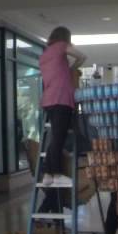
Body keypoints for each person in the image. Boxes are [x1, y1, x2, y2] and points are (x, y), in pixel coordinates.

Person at [39, 26, 87, 187]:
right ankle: (55, 173)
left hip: (48, 100)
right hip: (62, 99)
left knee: (56, 136)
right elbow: (82, 56)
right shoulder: (62, 46)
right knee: (58, 138)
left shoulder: (45, 54)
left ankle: (47, 174)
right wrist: (73, 67)